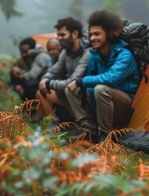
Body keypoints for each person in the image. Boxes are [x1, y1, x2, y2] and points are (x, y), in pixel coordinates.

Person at [65, 10, 140, 143]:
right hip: (103, 103)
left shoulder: (125, 55)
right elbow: (89, 82)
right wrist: (80, 87)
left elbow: (111, 78)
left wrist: (80, 81)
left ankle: (106, 137)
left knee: (100, 88)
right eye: (91, 34)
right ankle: (90, 131)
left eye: (97, 34)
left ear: (109, 33)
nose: (92, 38)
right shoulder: (95, 56)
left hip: (126, 107)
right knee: (71, 90)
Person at [37, 18, 90, 123]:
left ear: (74, 34)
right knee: (43, 92)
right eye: (58, 35)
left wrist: (48, 83)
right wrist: (45, 78)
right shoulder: (66, 52)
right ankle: (58, 124)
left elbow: (72, 81)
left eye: (62, 35)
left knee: (69, 89)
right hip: (74, 95)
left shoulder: (87, 52)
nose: (59, 38)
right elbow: (55, 70)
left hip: (88, 95)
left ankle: (86, 124)